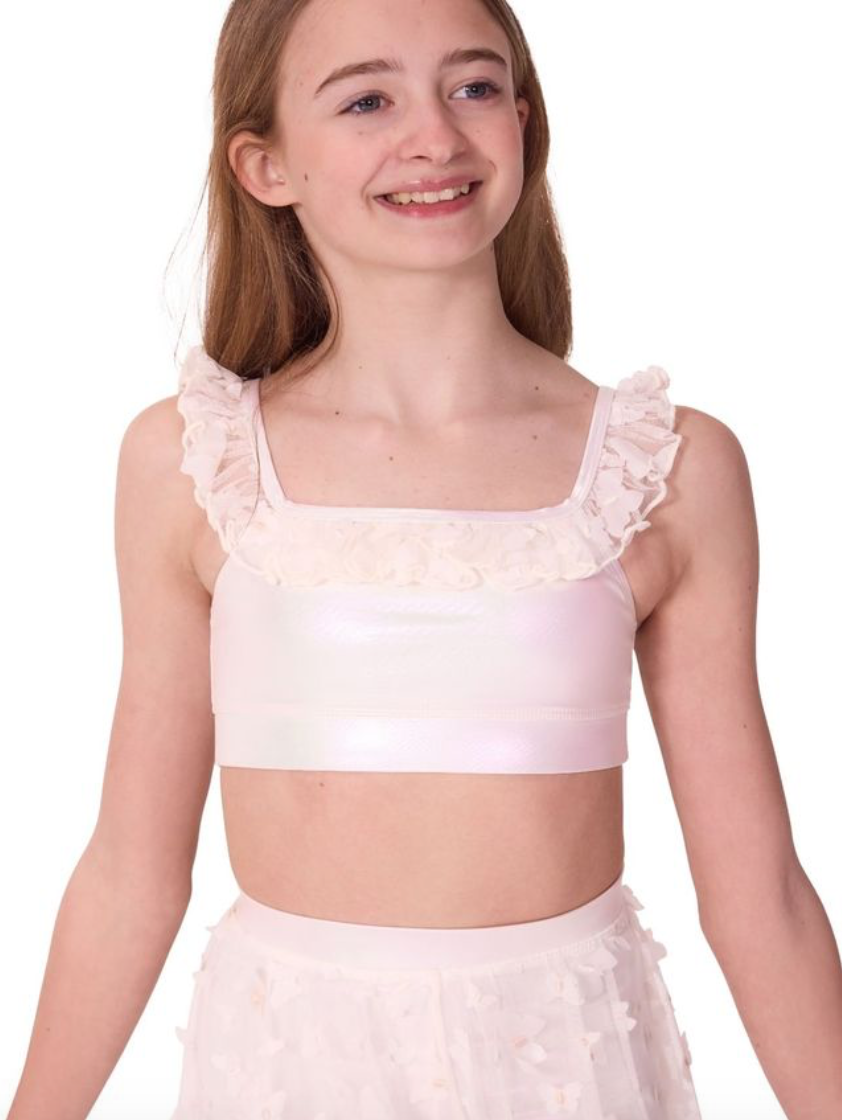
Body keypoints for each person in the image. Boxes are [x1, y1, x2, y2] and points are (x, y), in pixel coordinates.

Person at [8, 1, 842, 1118]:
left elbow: (759, 895)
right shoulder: (196, 464)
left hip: (569, 1072)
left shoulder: (662, 468)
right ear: (265, 166)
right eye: (367, 99)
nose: (435, 136)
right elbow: (129, 872)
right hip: (292, 1071)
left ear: (523, 121)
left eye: (473, 86)